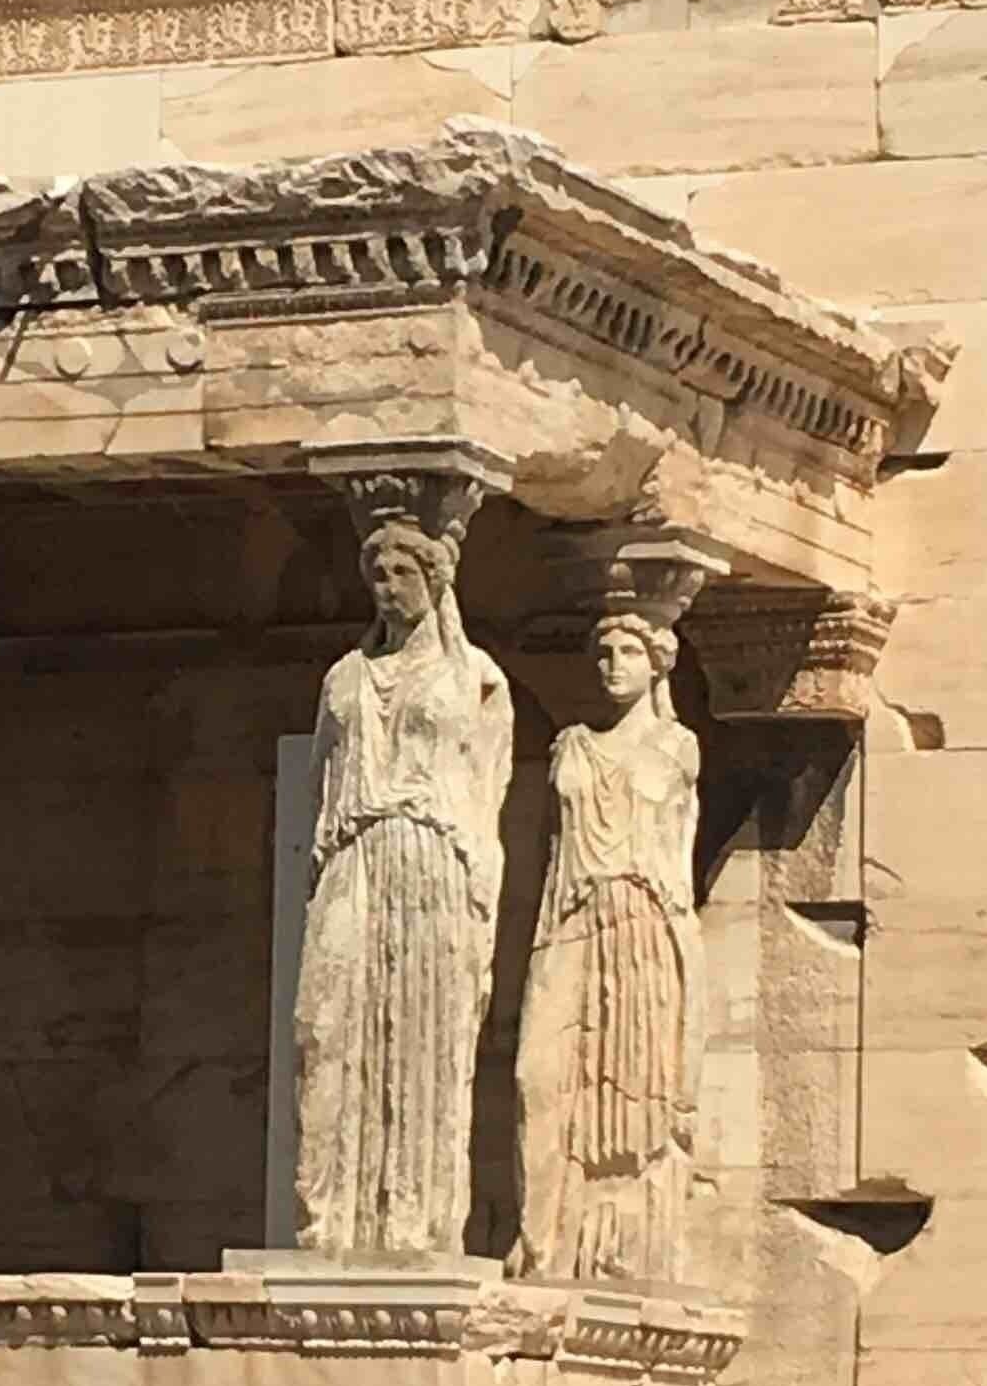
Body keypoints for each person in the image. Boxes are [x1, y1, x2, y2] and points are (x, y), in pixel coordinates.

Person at [291, 514, 513, 1259]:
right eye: (377, 577)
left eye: (402, 575)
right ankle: (329, 1217)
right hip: (355, 854)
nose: (388, 590)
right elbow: (325, 777)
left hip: (432, 860)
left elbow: (489, 788)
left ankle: (413, 1221)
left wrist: (478, 894)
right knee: (323, 1026)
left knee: (425, 1036)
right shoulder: (344, 678)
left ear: (434, 581)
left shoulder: (474, 678)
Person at [511, 608, 704, 1286]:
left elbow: (676, 858)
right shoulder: (570, 745)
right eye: (604, 652)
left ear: (657, 664)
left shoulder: (677, 748)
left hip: (644, 924)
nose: (612, 663)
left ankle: (621, 1253)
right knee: (540, 1077)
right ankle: (543, 1240)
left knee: (637, 1096)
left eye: (628, 651)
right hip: (569, 920)